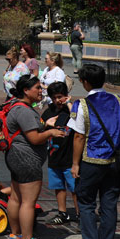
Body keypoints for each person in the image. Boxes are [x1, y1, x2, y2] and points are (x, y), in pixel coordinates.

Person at [69, 64, 120, 239]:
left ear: (86, 82)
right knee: (109, 205)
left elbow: (78, 137)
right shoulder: (117, 100)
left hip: (91, 161)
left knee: (86, 204)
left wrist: (75, 164)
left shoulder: (82, 104)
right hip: (114, 162)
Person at [4, 75, 65, 239]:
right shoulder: (25, 111)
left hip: (15, 157)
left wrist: (45, 125)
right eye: (37, 88)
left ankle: (15, 235)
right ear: (26, 90)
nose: (41, 91)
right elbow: (34, 138)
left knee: (15, 197)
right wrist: (51, 132)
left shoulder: (15, 107)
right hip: (27, 159)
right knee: (28, 203)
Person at [42, 81, 78, 225]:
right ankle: (62, 213)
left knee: (75, 188)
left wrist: (69, 104)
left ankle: (80, 213)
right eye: (54, 97)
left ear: (67, 96)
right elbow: (40, 128)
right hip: (54, 155)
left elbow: (78, 120)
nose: (58, 100)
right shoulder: (49, 112)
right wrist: (45, 125)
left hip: (70, 157)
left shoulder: (71, 110)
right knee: (58, 186)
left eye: (60, 97)